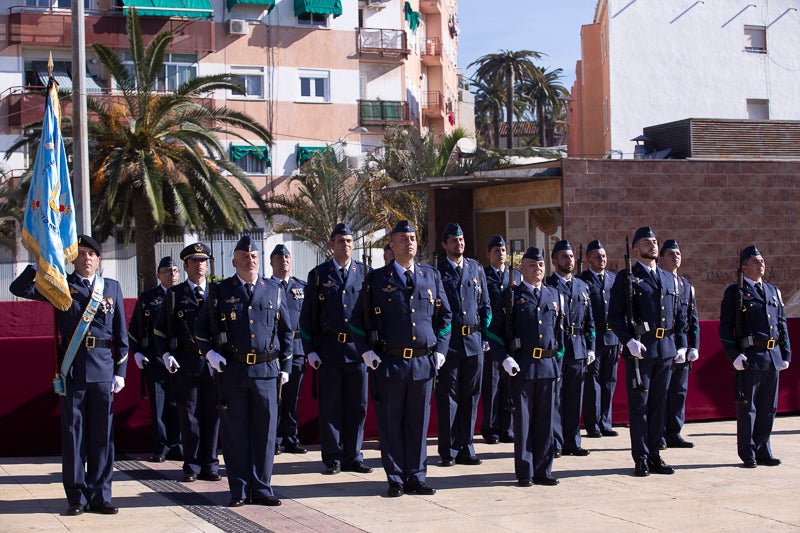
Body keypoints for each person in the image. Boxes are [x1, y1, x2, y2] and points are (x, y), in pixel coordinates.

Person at [10, 234, 127, 516]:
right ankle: (77, 497)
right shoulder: (61, 286)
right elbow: (19, 288)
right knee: (74, 436)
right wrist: (40, 264)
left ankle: (100, 495)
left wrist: (120, 370)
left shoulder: (111, 287)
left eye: (91, 254)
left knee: (102, 437)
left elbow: (122, 334)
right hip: (73, 370)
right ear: (72, 259)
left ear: (99, 260)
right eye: (81, 253)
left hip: (102, 371)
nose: (86, 258)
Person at [350, 220, 452, 497]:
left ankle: (416, 476)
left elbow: (445, 317)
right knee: (391, 423)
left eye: (412, 237)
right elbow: (358, 320)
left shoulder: (430, 276)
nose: (409, 242)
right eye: (402, 238)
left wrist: (440, 351)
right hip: (390, 362)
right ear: (392, 245)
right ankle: (395, 477)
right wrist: (366, 351)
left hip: (423, 362)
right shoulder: (376, 279)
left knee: (418, 425)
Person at [196, 235, 294, 507]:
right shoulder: (220, 291)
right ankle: (238, 489)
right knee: (236, 433)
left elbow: (286, 332)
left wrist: (285, 367)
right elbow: (201, 328)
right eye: (243, 257)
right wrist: (210, 353)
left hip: (266, 371)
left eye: (253, 257)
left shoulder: (273, 289)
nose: (249, 260)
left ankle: (262, 488)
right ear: (233, 261)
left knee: (265, 433)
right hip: (234, 371)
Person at [299, 223, 372, 475]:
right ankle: (333, 457)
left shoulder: (364, 273)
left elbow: (371, 314)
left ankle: (354, 455)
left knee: (357, 406)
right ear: (332, 244)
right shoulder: (319, 274)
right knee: (331, 406)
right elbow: (307, 316)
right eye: (341, 241)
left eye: (350, 241)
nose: (346, 245)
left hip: (357, 349)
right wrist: (310, 349)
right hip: (329, 348)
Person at [608, 226, 678, 477]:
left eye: (655, 241)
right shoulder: (626, 278)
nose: (653, 245)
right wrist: (628, 341)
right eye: (647, 242)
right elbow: (614, 318)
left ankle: (655, 454)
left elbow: (677, 316)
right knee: (640, 406)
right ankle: (641, 457)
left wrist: (680, 345)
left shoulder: (669, 278)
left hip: (665, 350)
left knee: (659, 405)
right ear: (636, 249)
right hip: (641, 351)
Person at [154, 243, 221, 483]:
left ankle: (211, 463)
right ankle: (192, 463)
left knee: (213, 415)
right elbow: (160, 330)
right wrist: (165, 355)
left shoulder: (217, 292)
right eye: (194, 261)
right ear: (185, 266)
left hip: (212, 363)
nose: (199, 265)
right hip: (187, 361)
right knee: (189, 415)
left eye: (202, 261)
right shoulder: (175, 295)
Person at [719, 245, 791, 468]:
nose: (761, 264)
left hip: (772, 356)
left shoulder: (772, 290)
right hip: (750, 356)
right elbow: (725, 327)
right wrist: (734, 356)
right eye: (755, 261)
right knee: (748, 408)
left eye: (762, 260)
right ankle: (748, 452)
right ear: (743, 266)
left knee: (769, 407)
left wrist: (785, 353)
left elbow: (781, 323)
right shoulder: (736, 292)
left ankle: (763, 449)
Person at [501, 246, 563, 487]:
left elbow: (560, 332)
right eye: (531, 265)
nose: (537, 269)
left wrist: (558, 359)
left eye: (540, 265)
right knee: (524, 422)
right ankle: (525, 472)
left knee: (546, 422)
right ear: (521, 269)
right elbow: (496, 331)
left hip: (548, 365)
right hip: (524, 365)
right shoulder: (512, 295)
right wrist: (505, 357)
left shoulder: (553, 295)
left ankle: (543, 470)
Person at [436, 222, 491, 466]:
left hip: (474, 342)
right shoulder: (437, 272)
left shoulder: (476, 269)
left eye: (461, 240)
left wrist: (485, 337)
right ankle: (448, 449)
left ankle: (466, 446)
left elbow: (485, 306)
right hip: (450, 344)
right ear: (444, 244)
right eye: (454, 240)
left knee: (471, 396)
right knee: (448, 396)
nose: (459, 244)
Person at [128, 256, 182, 463]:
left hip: (180, 359)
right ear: (159, 275)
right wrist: (137, 353)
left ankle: (178, 444)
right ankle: (161, 446)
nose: (173, 275)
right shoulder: (148, 298)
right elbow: (134, 329)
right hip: (155, 359)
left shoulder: (185, 295)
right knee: (159, 406)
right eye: (168, 271)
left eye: (176, 271)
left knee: (179, 404)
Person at [546, 240, 594, 458]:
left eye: (571, 256)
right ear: (554, 260)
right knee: (555, 397)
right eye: (564, 256)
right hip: (557, 348)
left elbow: (590, 321)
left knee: (575, 396)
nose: (569, 260)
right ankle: (555, 442)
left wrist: (591, 346)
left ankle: (572, 441)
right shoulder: (548, 286)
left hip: (578, 347)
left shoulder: (582, 286)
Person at [659, 240, 699, 449]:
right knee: (662, 392)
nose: (676, 256)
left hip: (682, 347)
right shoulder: (659, 281)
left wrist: (694, 346)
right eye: (671, 253)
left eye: (678, 252)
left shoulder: (686, 286)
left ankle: (674, 431)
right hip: (664, 345)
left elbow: (693, 319)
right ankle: (660, 434)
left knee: (678, 391)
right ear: (661, 258)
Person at [579, 240, 621, 438]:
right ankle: (593, 424)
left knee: (609, 381)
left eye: (603, 256)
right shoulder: (582, 280)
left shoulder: (613, 279)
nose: (601, 259)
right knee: (592, 383)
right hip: (594, 340)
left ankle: (606, 421)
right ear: (588, 259)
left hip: (612, 338)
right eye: (597, 256)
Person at [270, 244, 308, 455]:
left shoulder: (301, 287)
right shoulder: (266, 286)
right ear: (271, 262)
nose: (283, 261)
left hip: (297, 348)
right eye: (279, 258)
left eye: (286, 258)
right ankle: (274, 439)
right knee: (275, 397)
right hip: (275, 350)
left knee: (292, 398)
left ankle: (291, 438)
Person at [481, 234, 515, 444]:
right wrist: (485, 336)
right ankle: (491, 428)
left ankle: (507, 427)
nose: (500, 254)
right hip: (492, 336)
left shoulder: (515, 275)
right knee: (492, 385)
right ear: (488, 254)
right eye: (496, 251)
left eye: (503, 250)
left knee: (509, 383)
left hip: (510, 336)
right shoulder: (483, 276)